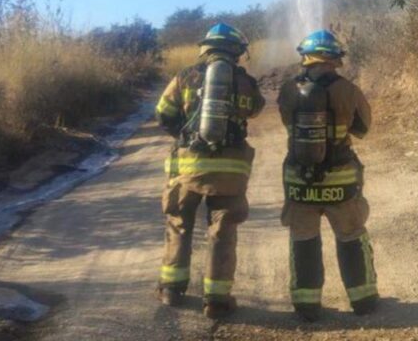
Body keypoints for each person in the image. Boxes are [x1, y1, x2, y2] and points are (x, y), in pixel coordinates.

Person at [154, 22, 265, 319]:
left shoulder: (185, 77)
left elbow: (163, 113)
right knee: (222, 230)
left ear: (206, 48)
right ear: (237, 51)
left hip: (188, 168)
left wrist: (186, 137)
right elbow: (256, 109)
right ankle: (216, 300)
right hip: (230, 171)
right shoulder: (245, 82)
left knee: (179, 223)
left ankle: (171, 289)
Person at [277, 29, 378, 322]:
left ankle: (306, 305)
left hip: (300, 180)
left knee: (303, 238)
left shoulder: (288, 90)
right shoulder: (349, 90)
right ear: (335, 58)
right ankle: (363, 300)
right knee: (350, 235)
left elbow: (287, 123)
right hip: (340, 181)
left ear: (306, 57)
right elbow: (363, 129)